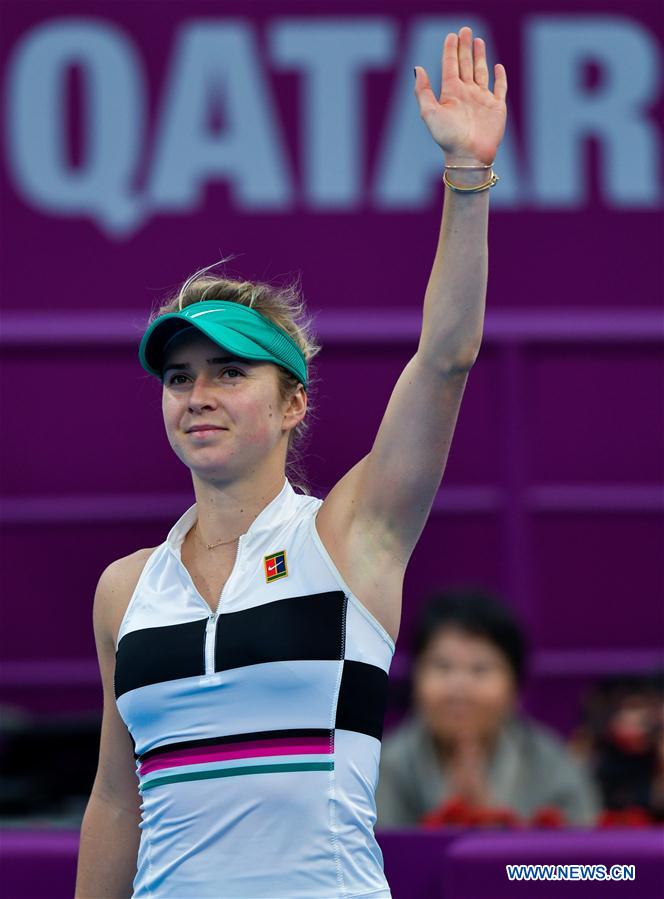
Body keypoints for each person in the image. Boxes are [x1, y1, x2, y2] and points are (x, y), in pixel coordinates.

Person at [74, 26, 508, 899]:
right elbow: (118, 802)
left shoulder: (350, 537)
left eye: (230, 373)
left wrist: (467, 178)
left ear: (293, 404)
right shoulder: (125, 589)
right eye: (179, 377)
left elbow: (446, 358)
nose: (197, 395)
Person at [375, 589, 602, 828]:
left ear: (515, 688)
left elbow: (582, 844)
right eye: (442, 667)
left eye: (480, 669)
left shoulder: (553, 767)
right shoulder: (380, 767)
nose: (459, 688)